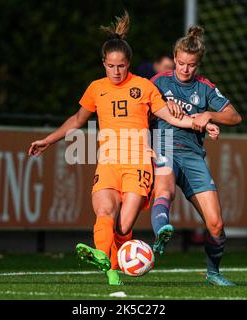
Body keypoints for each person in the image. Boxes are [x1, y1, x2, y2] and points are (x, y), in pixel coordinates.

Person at [28, 13, 220, 286]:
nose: (115, 71)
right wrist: (49, 139)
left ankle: (114, 259)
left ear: (128, 64)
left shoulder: (143, 87)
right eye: (110, 66)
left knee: (124, 226)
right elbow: (77, 120)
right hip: (108, 163)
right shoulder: (96, 89)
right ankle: (106, 263)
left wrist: (203, 123)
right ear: (104, 64)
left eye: (120, 66)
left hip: (138, 164)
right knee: (104, 212)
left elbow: (173, 116)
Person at [149, 26, 242, 286]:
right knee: (164, 190)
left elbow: (235, 116)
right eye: (180, 63)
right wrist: (161, 107)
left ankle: (213, 273)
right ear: (174, 58)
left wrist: (209, 115)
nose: (185, 69)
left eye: (191, 65)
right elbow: (139, 108)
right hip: (163, 145)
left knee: (216, 224)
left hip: (192, 155)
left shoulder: (205, 88)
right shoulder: (158, 82)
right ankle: (161, 235)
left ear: (198, 64)